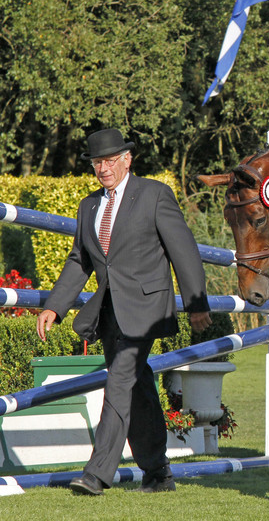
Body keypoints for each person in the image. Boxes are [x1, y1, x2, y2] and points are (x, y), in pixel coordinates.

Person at [36, 128, 212, 496]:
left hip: (146, 308)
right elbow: (79, 260)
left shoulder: (154, 195)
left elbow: (184, 252)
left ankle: (97, 473)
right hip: (109, 312)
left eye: (110, 160)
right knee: (137, 387)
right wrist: (54, 306)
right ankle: (158, 471)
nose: (103, 168)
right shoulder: (89, 206)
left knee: (118, 381)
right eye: (97, 162)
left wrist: (197, 305)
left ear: (127, 160)